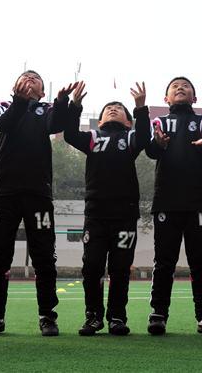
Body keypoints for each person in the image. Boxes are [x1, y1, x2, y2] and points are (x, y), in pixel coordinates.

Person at [0, 71, 78, 337]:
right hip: (5, 192)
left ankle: (47, 316)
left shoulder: (47, 109)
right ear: (15, 86)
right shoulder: (4, 106)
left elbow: (56, 125)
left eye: (36, 78)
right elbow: (4, 124)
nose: (31, 78)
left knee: (44, 257)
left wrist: (62, 101)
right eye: (26, 76)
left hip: (38, 193)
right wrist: (19, 101)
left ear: (42, 92)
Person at [63, 81, 150, 336]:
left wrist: (141, 108)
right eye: (108, 108)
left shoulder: (131, 137)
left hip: (125, 215)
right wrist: (75, 106)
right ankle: (93, 316)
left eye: (119, 108)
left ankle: (117, 317)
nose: (113, 109)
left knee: (120, 268)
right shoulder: (92, 138)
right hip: (96, 215)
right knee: (91, 266)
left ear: (128, 122)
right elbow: (70, 135)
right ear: (99, 121)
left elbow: (144, 137)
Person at [145, 76, 202, 336]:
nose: (180, 88)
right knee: (164, 261)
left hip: (198, 201)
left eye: (186, 86)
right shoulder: (159, 122)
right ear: (166, 98)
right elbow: (151, 152)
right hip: (166, 200)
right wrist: (158, 143)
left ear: (194, 97)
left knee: (200, 260)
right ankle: (158, 314)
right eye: (175, 86)